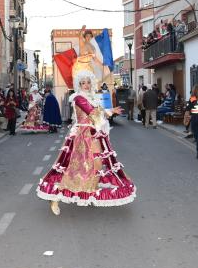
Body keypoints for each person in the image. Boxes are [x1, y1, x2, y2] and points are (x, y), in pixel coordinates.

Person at [36, 69, 136, 215]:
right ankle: (55, 197)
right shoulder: (78, 98)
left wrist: (108, 110)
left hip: (92, 134)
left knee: (96, 165)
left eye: (88, 82)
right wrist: (110, 111)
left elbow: (96, 112)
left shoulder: (90, 97)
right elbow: (93, 112)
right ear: (79, 85)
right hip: (83, 136)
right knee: (75, 169)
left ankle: (90, 192)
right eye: (83, 83)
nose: (86, 85)